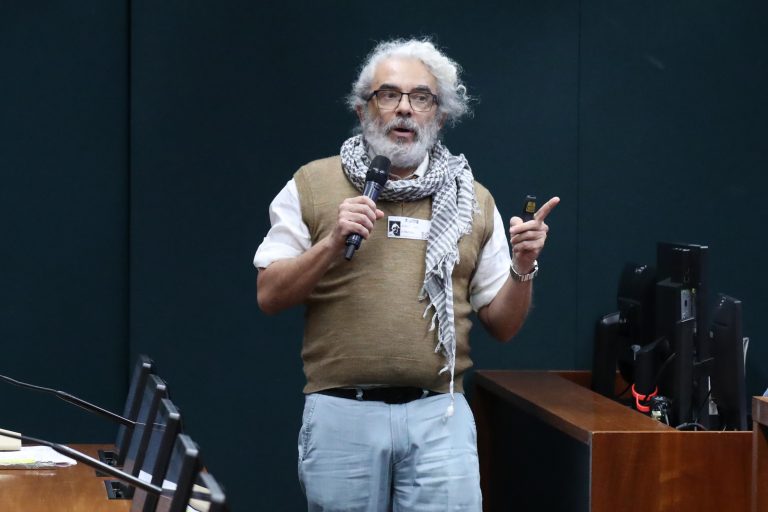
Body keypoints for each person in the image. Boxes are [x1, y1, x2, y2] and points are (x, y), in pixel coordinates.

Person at [254, 38, 559, 512]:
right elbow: (269, 294)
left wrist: (523, 268)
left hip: (440, 416)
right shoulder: (312, 183)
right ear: (363, 110)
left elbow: (502, 325)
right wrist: (332, 243)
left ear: (439, 116)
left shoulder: (472, 200)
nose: (404, 110)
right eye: (388, 95)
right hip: (342, 417)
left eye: (421, 98)